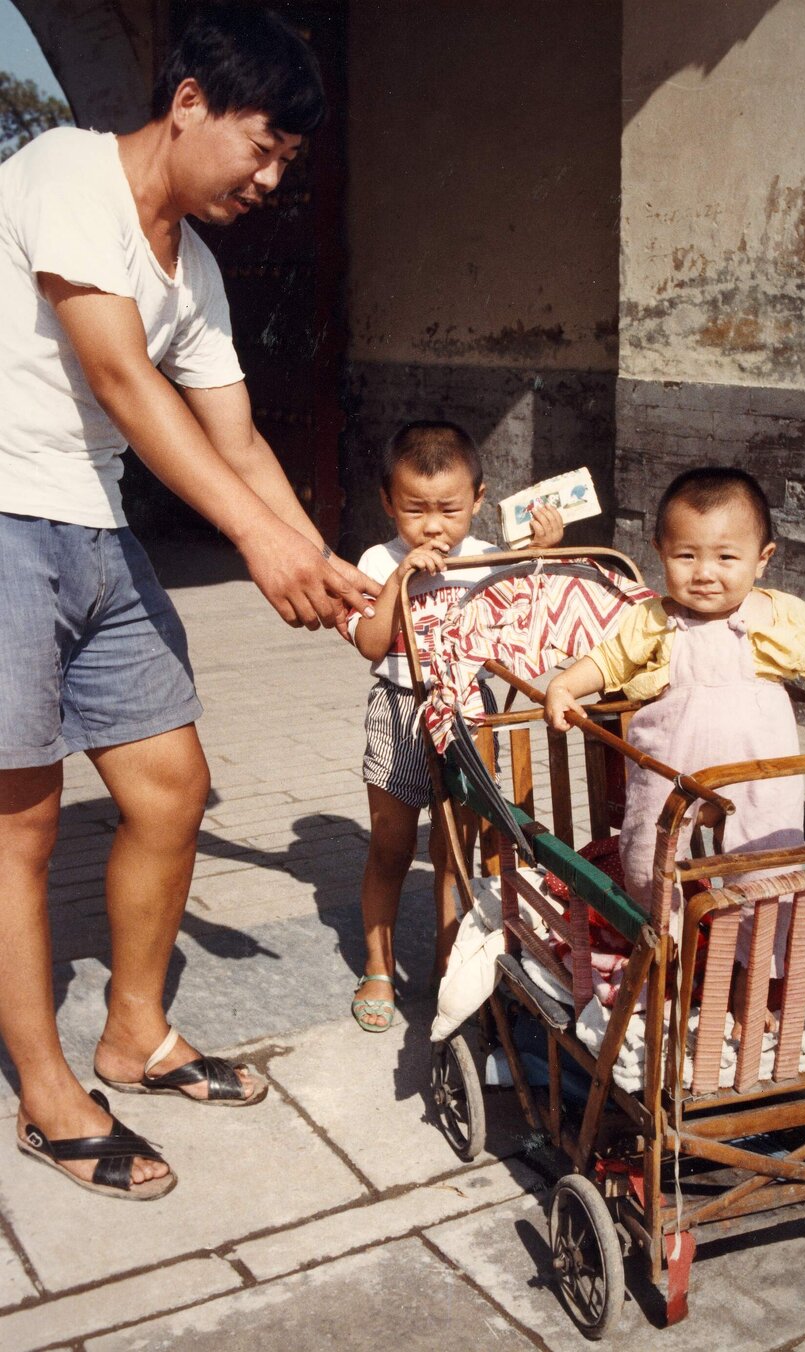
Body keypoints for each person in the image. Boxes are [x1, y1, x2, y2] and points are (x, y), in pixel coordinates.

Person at [0, 4, 378, 1198]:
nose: (270, 178)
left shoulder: (195, 265)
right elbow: (116, 373)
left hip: (98, 530)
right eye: (262, 147)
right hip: (5, 514)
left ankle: (134, 1030)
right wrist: (256, 543)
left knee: (173, 787)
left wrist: (334, 573)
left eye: (287, 164)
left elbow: (239, 436)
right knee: (22, 824)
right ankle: (49, 1088)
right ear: (188, 104)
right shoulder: (64, 169)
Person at [544, 466, 805, 1028]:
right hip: (671, 774)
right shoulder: (652, 621)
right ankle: (668, 954)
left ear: (763, 557)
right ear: (659, 552)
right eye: (686, 556)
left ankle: (755, 981)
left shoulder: (777, 616)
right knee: (645, 861)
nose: (705, 574)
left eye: (726, 558)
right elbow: (606, 662)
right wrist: (564, 685)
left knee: (766, 873)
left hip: (759, 773)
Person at [347, 421, 563, 1031]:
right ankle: (379, 968)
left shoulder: (488, 558)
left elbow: (526, 625)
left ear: (479, 499)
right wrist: (399, 578)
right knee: (391, 848)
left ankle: (448, 968)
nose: (433, 525)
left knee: (455, 853)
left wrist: (539, 555)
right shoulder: (377, 559)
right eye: (415, 510)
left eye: (449, 509)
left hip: (471, 713)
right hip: (398, 710)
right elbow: (368, 642)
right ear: (389, 502)